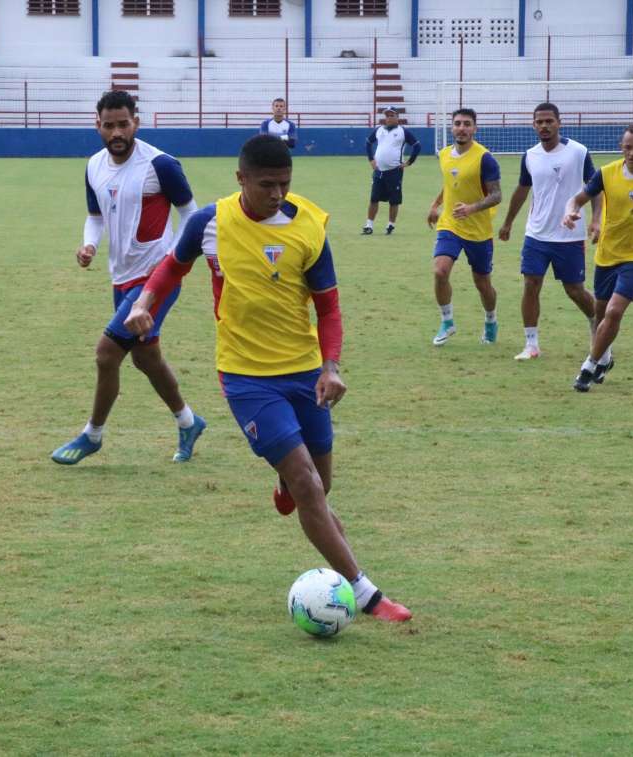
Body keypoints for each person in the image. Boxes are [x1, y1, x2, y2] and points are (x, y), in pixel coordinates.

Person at [124, 135, 412, 623]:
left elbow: (329, 307)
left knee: (317, 484)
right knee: (307, 484)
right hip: (246, 377)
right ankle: (366, 594)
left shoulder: (309, 226)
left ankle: (288, 486)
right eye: (266, 185)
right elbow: (172, 267)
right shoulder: (209, 222)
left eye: (285, 184)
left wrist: (331, 367)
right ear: (241, 180)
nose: (277, 194)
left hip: (304, 372)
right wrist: (143, 302)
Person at [50, 90, 206, 465]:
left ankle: (93, 435)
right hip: (120, 278)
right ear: (97, 125)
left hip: (156, 279)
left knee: (107, 355)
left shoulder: (161, 165)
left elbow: (192, 216)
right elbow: (96, 216)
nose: (116, 132)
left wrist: (175, 263)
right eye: (109, 125)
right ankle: (188, 421)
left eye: (123, 124)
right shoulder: (93, 166)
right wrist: (88, 244)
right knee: (146, 359)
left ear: (136, 121)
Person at [563, 123, 633, 392]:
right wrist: (569, 212)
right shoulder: (606, 174)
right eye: (628, 147)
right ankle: (605, 358)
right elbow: (577, 199)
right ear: (621, 148)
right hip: (608, 253)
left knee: (614, 311)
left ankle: (588, 366)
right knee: (601, 314)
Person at [498, 103, 600, 361]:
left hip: (570, 234)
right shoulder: (530, 155)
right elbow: (522, 190)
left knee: (574, 290)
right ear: (533, 125)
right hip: (536, 234)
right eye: (539, 122)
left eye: (549, 121)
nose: (544, 126)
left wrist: (596, 220)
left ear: (558, 122)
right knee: (531, 284)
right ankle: (531, 345)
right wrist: (508, 221)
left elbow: (596, 186)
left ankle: (595, 320)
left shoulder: (578, 152)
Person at [427, 108, 502, 346]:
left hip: (478, 230)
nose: (462, 128)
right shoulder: (445, 154)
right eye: (458, 123)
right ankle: (447, 321)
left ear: (474, 129)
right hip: (450, 224)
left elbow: (496, 195)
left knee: (482, 283)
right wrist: (435, 204)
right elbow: (450, 182)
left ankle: (491, 320)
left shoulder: (485, 159)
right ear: (452, 127)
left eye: (467, 124)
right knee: (440, 271)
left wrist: (471, 208)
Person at [362, 107, 420, 235]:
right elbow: (368, 143)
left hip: (394, 171)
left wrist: (409, 162)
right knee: (374, 198)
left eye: (392, 115)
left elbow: (417, 145)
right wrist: (371, 159)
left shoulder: (403, 132)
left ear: (397, 117)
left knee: (394, 200)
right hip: (379, 171)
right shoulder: (379, 130)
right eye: (387, 115)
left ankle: (390, 225)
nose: (389, 118)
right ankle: (369, 225)